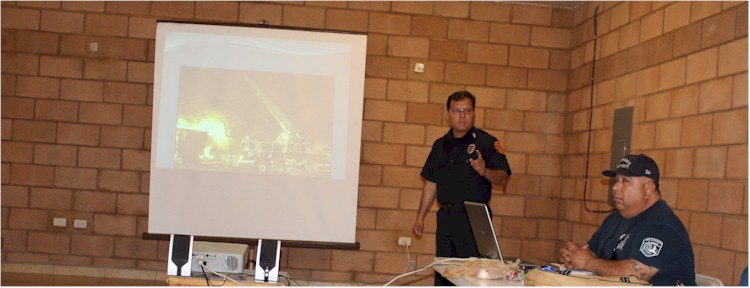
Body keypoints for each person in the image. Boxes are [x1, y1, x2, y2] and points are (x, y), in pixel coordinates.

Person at [412, 91, 512, 286]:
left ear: (474, 113)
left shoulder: (486, 142)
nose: (462, 115)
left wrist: (485, 172)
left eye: (467, 110)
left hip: (475, 220)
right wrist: (420, 217)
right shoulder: (440, 146)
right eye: (457, 110)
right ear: (448, 114)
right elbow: (431, 183)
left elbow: (504, 177)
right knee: (444, 272)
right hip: (447, 218)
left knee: (471, 277)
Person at [559, 154, 696, 286]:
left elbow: (634, 276)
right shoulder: (614, 219)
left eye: (625, 181)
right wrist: (573, 256)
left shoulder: (661, 225)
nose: (615, 187)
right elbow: (592, 255)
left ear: (648, 189)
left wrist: (588, 262)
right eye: (616, 180)